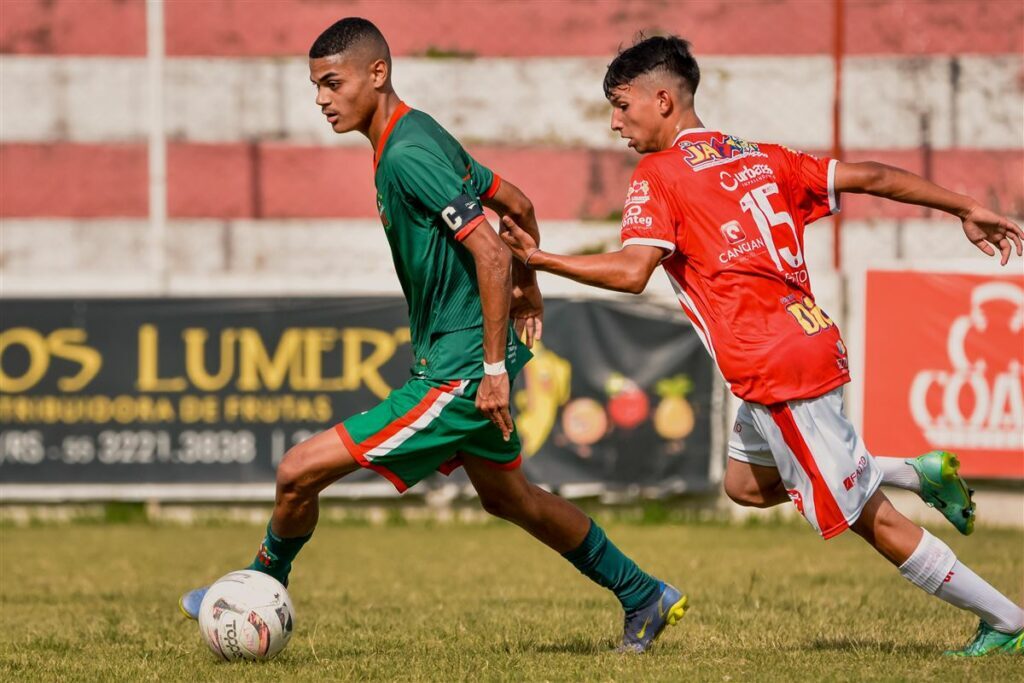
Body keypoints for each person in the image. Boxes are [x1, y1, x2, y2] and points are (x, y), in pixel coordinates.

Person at [499, 35, 1024, 657]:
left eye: (621, 105)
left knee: (868, 519)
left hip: (774, 364)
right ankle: (916, 470)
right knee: (745, 486)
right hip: (798, 342)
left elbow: (633, 272)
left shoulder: (659, 174)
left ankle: (1006, 619)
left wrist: (536, 258)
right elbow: (871, 175)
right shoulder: (757, 155)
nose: (615, 123)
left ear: (662, 100)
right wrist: (965, 205)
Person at [179, 18, 686, 655]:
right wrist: (531, 292)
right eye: (315, 87)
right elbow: (519, 205)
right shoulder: (417, 132)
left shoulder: (407, 153)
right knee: (513, 499)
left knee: (295, 472)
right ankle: (643, 594)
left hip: (463, 373)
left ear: (377, 74)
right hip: (464, 360)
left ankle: (259, 583)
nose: (321, 100)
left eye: (332, 83)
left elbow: (493, 253)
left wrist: (497, 364)